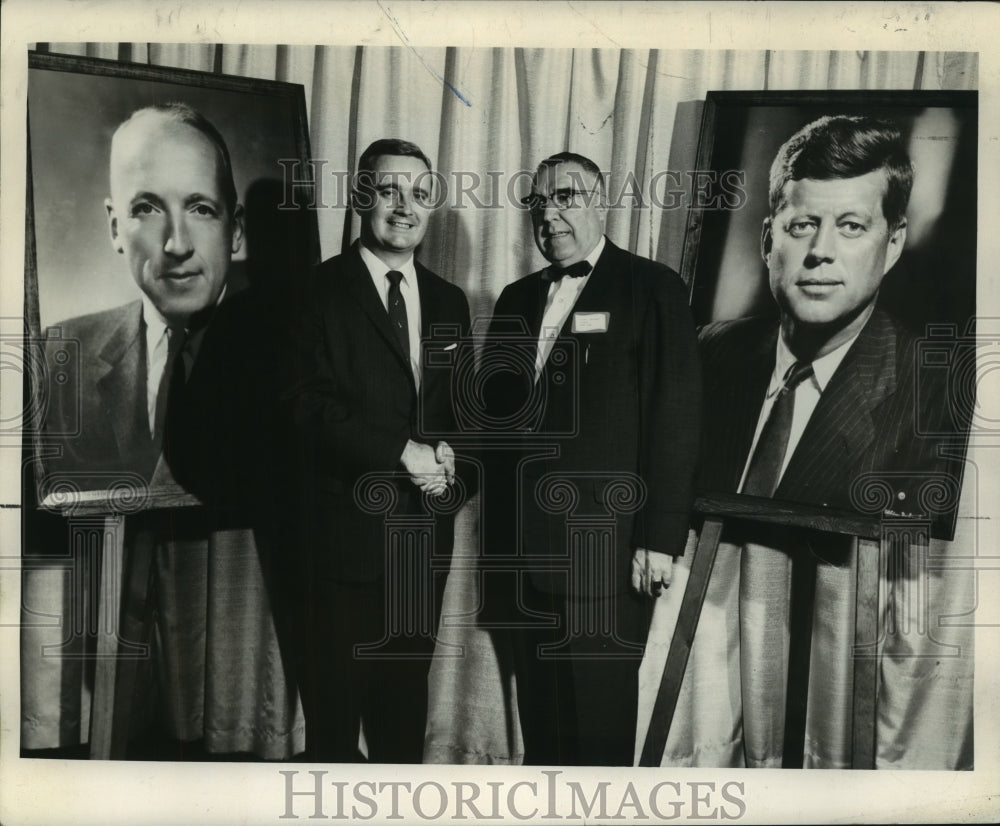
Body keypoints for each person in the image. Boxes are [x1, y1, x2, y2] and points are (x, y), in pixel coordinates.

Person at [642, 114, 971, 769]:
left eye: (852, 226)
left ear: (895, 240)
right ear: (769, 240)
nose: (821, 251)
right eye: (801, 226)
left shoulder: (934, 393)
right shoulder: (708, 355)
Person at [481, 152, 701, 766]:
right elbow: (494, 423)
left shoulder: (652, 287)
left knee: (598, 736)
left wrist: (660, 540)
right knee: (543, 730)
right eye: (538, 203)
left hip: (607, 556)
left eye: (567, 197)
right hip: (524, 555)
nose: (550, 213)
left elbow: (676, 420)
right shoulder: (515, 298)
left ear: (601, 202)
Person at [283, 138, 472, 763]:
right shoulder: (316, 290)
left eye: (420, 194)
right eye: (389, 191)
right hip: (340, 546)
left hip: (422, 548)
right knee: (334, 730)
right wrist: (400, 452)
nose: (405, 207)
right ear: (363, 196)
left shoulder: (449, 302)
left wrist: (452, 477)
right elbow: (300, 408)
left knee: (401, 727)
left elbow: (462, 422)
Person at [40, 103, 245, 493]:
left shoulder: (294, 353)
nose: (177, 243)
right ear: (116, 228)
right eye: (147, 209)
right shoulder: (57, 355)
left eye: (201, 209)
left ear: (234, 229)